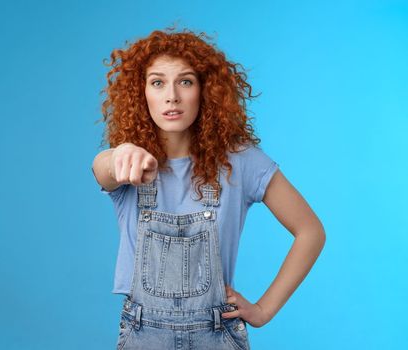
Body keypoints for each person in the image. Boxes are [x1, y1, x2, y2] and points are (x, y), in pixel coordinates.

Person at [91, 27, 325, 350]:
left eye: (185, 81)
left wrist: (262, 310)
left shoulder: (240, 163)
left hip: (217, 336)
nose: (172, 95)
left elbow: (311, 231)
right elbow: (101, 169)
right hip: (144, 336)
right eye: (158, 82)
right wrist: (118, 155)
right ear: (140, 93)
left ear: (204, 90)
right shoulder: (127, 166)